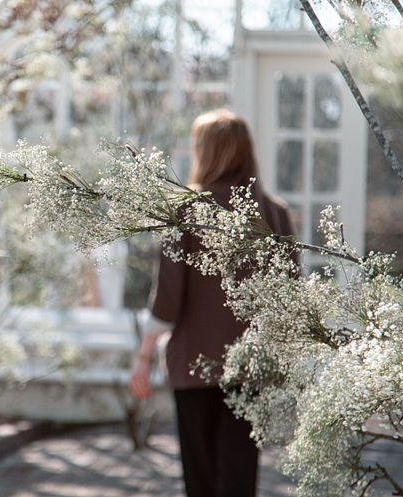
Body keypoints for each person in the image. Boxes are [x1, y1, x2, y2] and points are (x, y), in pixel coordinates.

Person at [129, 109, 295, 497]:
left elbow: (167, 302)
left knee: (200, 480)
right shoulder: (275, 213)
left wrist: (143, 356)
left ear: (206, 152)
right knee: (240, 478)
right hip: (252, 368)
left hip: (193, 367)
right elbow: (289, 301)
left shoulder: (185, 211)